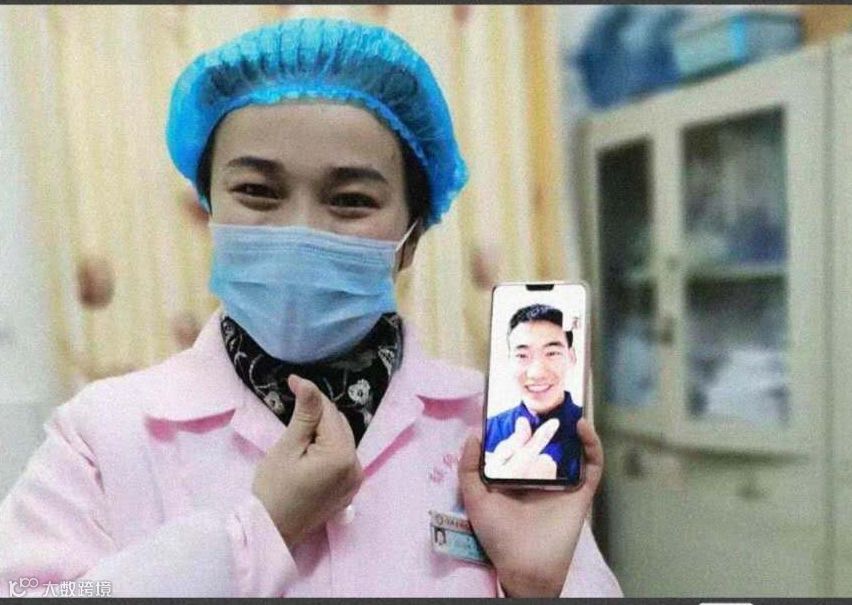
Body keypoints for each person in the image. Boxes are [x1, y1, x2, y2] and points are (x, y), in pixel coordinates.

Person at [0, 18, 622, 598]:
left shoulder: (494, 431)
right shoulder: (104, 432)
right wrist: (256, 532)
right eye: (256, 191)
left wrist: (538, 587)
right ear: (209, 209)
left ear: (411, 239)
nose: (299, 229)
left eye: (350, 200)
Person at [484, 304, 583, 482]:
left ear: (571, 357)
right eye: (522, 355)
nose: (536, 373)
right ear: (509, 361)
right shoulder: (485, 432)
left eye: (551, 353)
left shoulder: (595, 432)